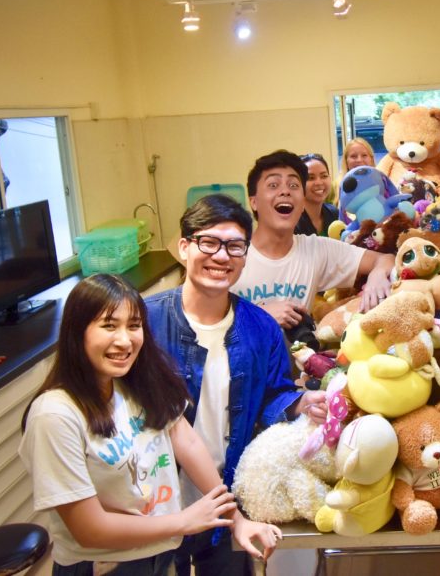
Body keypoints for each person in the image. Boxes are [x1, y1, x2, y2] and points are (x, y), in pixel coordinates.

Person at [20, 273, 282, 575]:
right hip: (105, 566)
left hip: (159, 552)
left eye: (134, 325)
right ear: (77, 332)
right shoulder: (55, 415)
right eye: (109, 325)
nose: (125, 340)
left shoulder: (134, 382)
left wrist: (236, 519)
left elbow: (188, 442)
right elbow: (89, 529)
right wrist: (183, 521)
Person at [144, 195, 327, 575]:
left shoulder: (261, 328)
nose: (221, 256)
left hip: (227, 496)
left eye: (234, 246)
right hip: (155, 498)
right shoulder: (146, 322)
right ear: (184, 247)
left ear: (245, 256)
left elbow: (274, 394)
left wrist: (300, 402)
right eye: (209, 242)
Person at [232, 150, 395, 329]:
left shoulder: (315, 249)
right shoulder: (231, 256)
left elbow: (385, 259)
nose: (285, 191)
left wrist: (378, 275)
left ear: (302, 202)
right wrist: (261, 317)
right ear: (254, 202)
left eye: (293, 185)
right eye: (273, 185)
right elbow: (209, 322)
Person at [294, 153, 339, 236]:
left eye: (324, 176)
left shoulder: (334, 213)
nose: (319, 182)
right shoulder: (292, 221)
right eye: (310, 178)